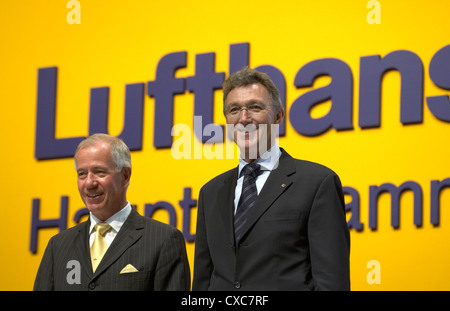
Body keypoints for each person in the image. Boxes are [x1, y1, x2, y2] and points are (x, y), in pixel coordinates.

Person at [192, 67, 350, 291]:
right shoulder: (210, 192)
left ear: (278, 116)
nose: (244, 118)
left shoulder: (317, 183)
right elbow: (203, 282)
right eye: (234, 109)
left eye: (255, 107)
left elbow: (331, 281)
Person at [34, 133, 190, 291]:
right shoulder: (58, 246)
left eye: (99, 172)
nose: (89, 183)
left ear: (125, 176)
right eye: (82, 174)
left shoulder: (163, 240)